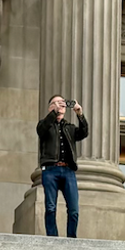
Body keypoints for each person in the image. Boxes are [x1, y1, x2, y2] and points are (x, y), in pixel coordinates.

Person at [36, 95, 88, 238]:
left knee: (73, 210)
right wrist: (54, 113)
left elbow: (84, 133)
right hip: (50, 170)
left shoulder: (69, 128)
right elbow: (41, 130)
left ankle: (71, 238)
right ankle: (52, 238)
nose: (61, 105)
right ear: (50, 107)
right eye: (57, 103)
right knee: (51, 207)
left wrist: (80, 115)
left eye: (63, 103)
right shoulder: (44, 125)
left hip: (68, 171)